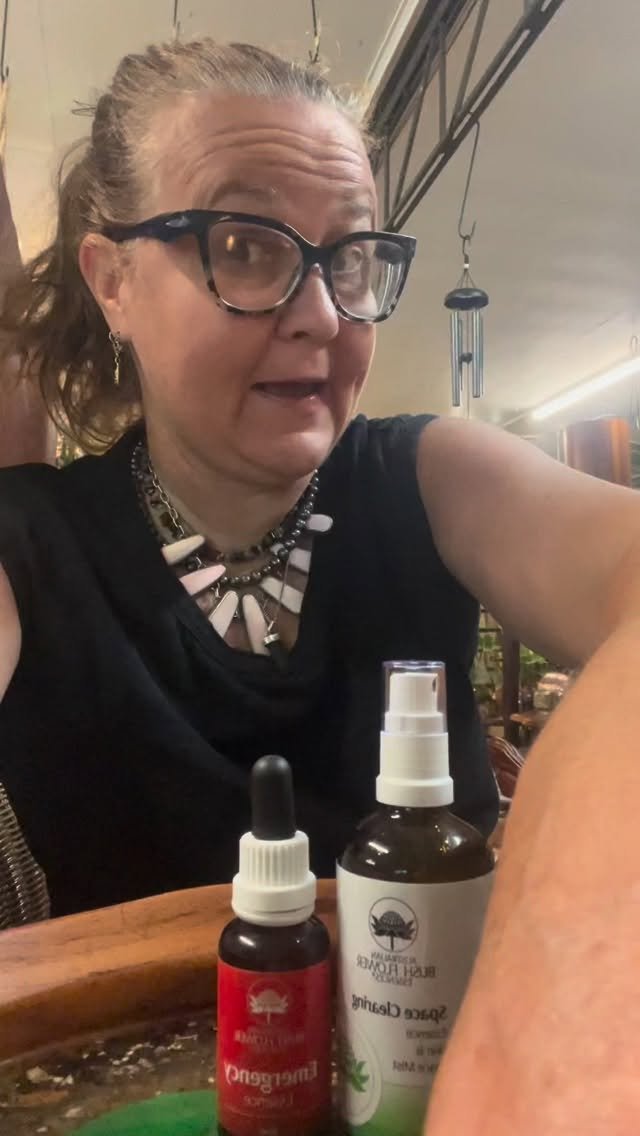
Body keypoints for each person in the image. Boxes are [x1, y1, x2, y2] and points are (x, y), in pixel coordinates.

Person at [1, 36, 640, 1134]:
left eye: (349, 259)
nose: (323, 314)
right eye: (246, 247)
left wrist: (569, 949)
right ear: (114, 283)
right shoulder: (27, 540)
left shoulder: (433, 476)